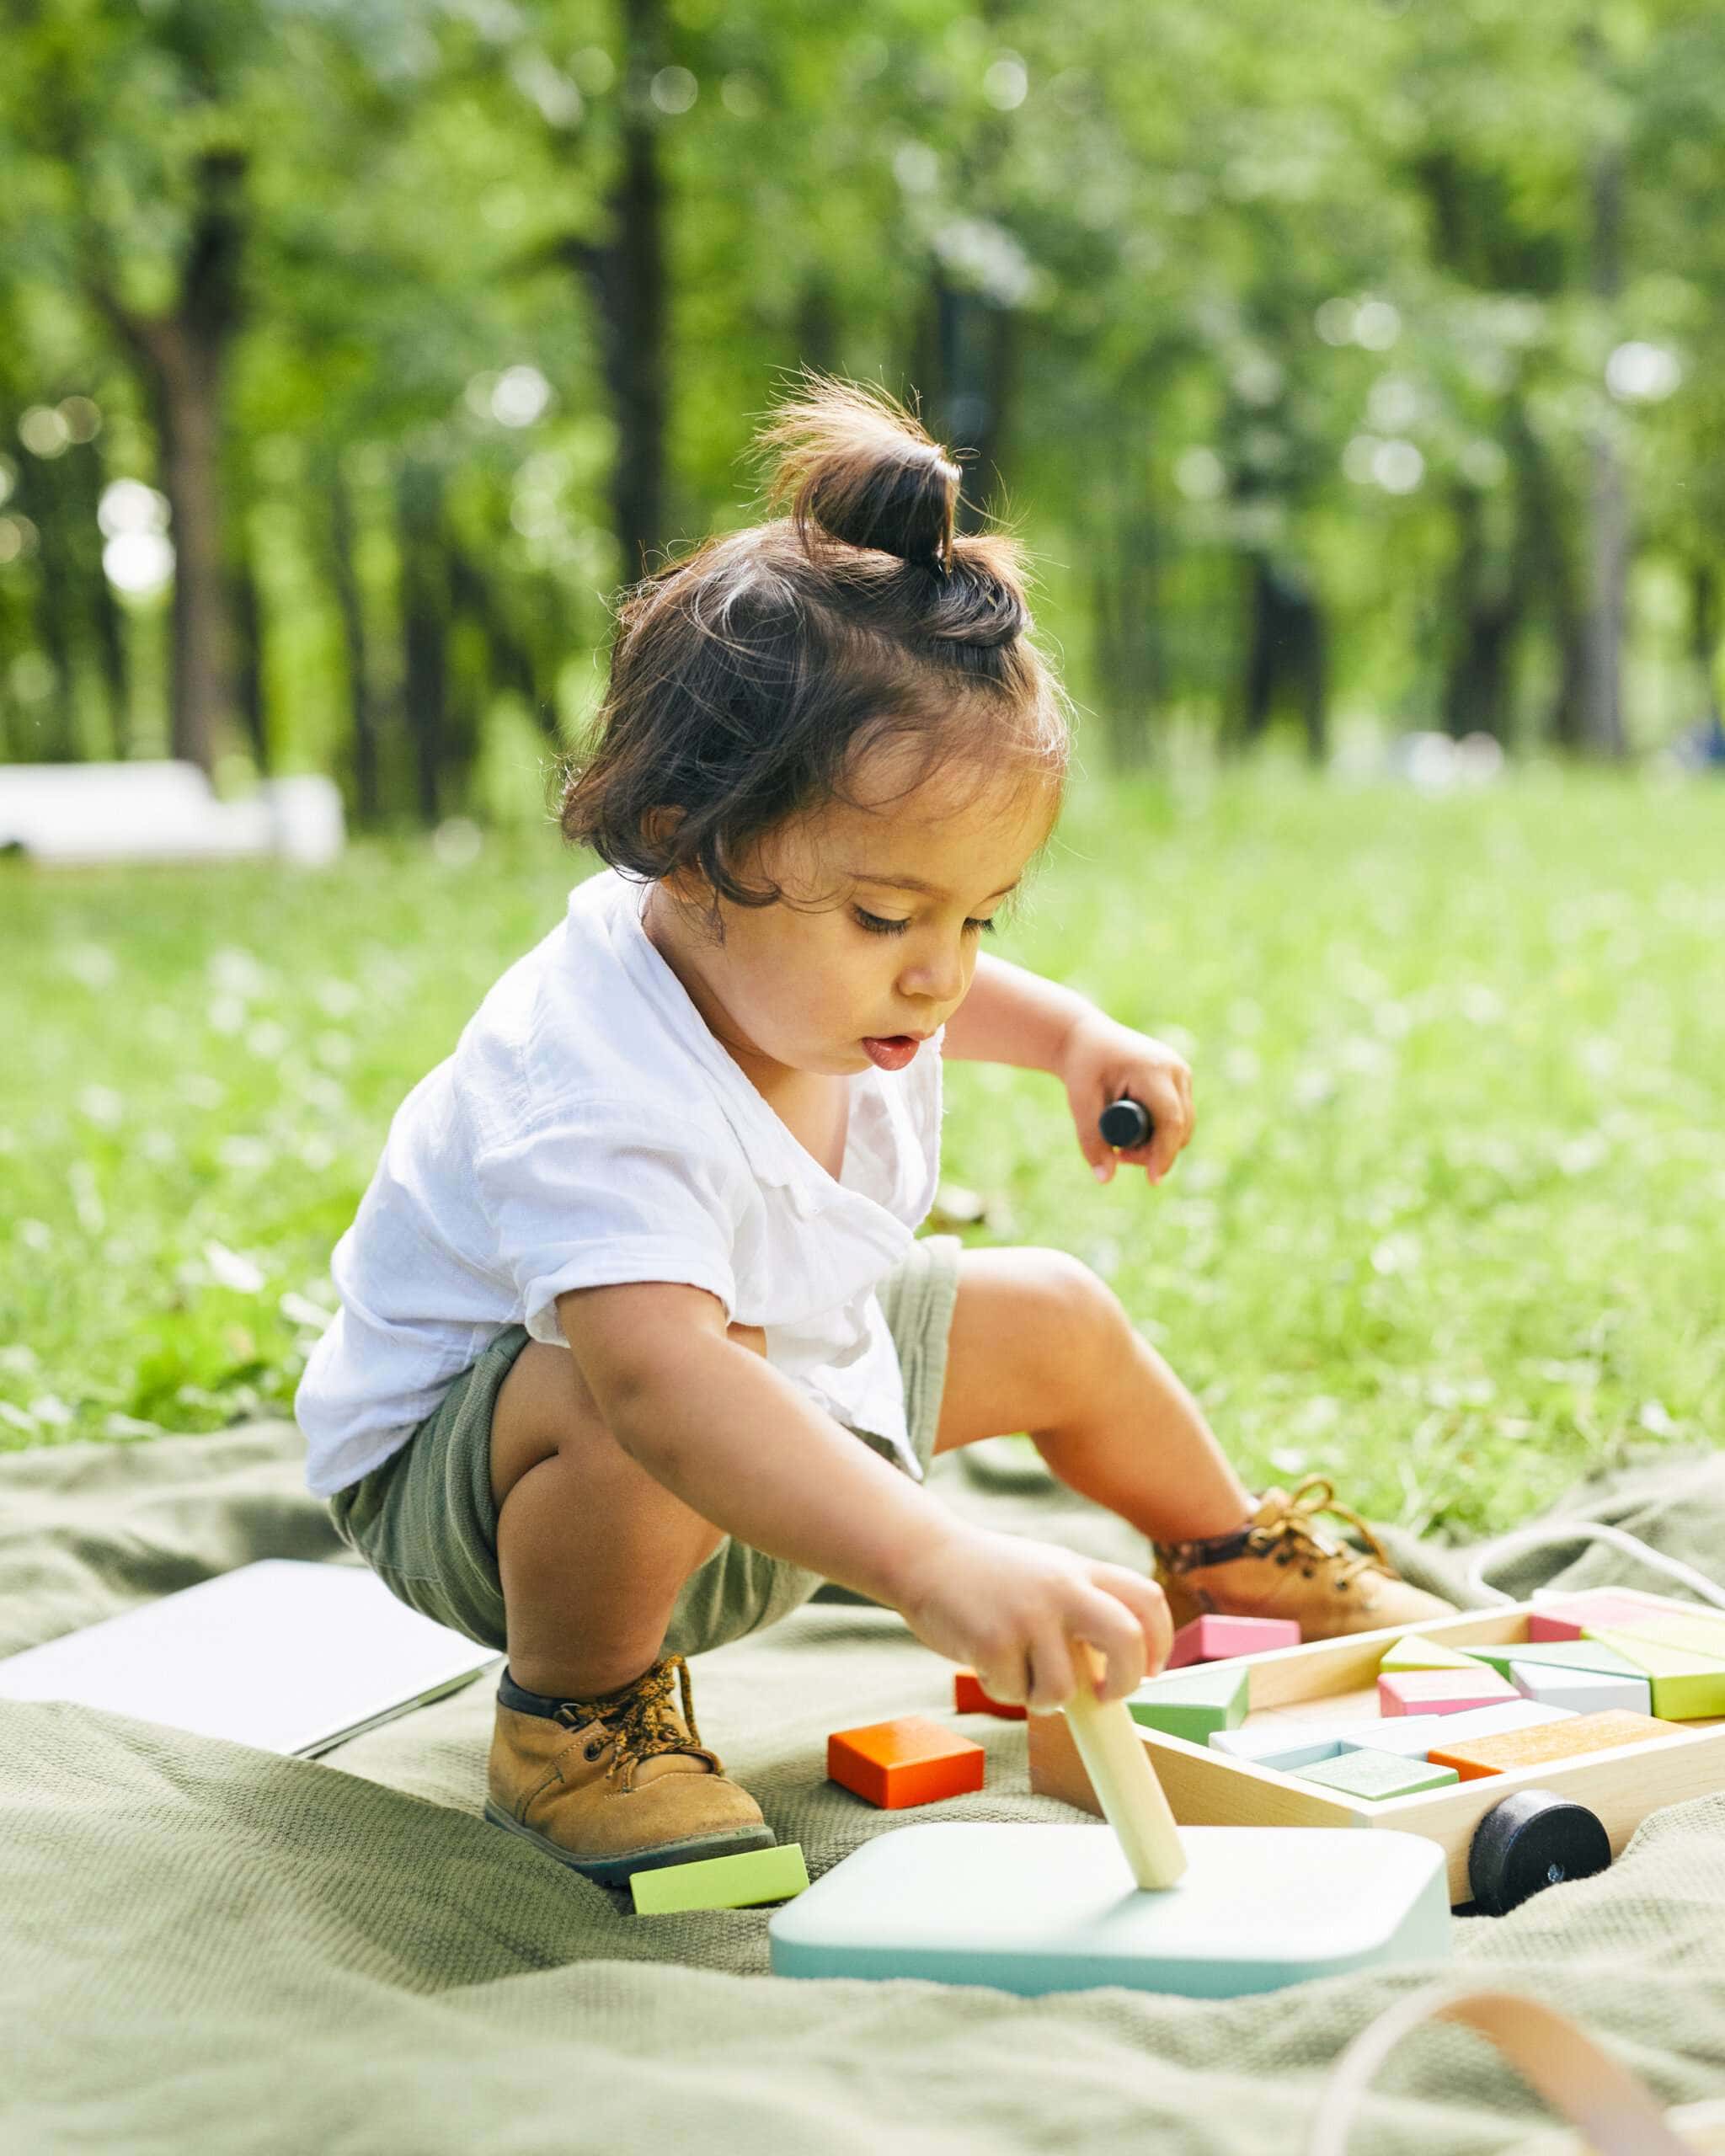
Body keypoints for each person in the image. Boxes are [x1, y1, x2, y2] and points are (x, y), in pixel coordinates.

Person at [296, 377, 1451, 1884]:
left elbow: (947, 994)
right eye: (892, 914)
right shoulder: (587, 1077)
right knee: (630, 1381)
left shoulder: (826, 977)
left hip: (784, 1377)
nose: (943, 970)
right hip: (500, 1486)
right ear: (686, 843)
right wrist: (937, 1560)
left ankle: (1232, 1559)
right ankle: (575, 1718)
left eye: (979, 915)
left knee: (1056, 1314)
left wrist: (1073, 1035)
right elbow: (657, 1385)